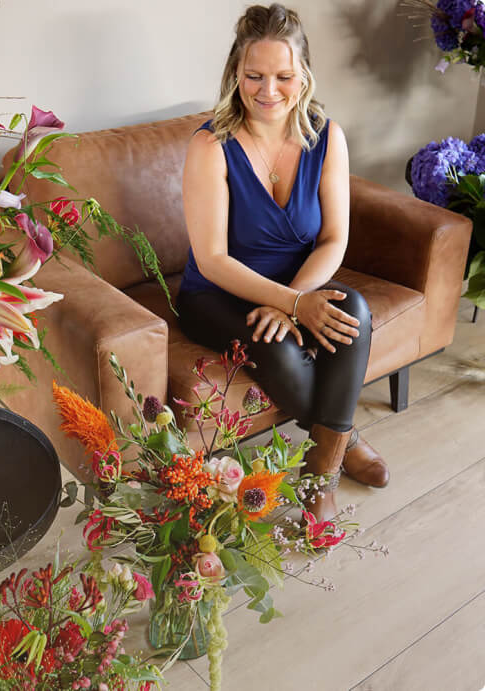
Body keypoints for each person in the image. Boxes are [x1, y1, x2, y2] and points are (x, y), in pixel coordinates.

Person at [176, 3, 388, 521]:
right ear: (236, 74)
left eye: (283, 76)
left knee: (353, 313)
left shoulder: (325, 135)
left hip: (297, 283)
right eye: (254, 75)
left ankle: (318, 481)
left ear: (304, 75)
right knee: (281, 349)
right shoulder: (210, 146)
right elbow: (213, 257)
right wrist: (291, 305)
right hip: (217, 293)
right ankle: (344, 440)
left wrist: (297, 299)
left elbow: (334, 239)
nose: (268, 90)